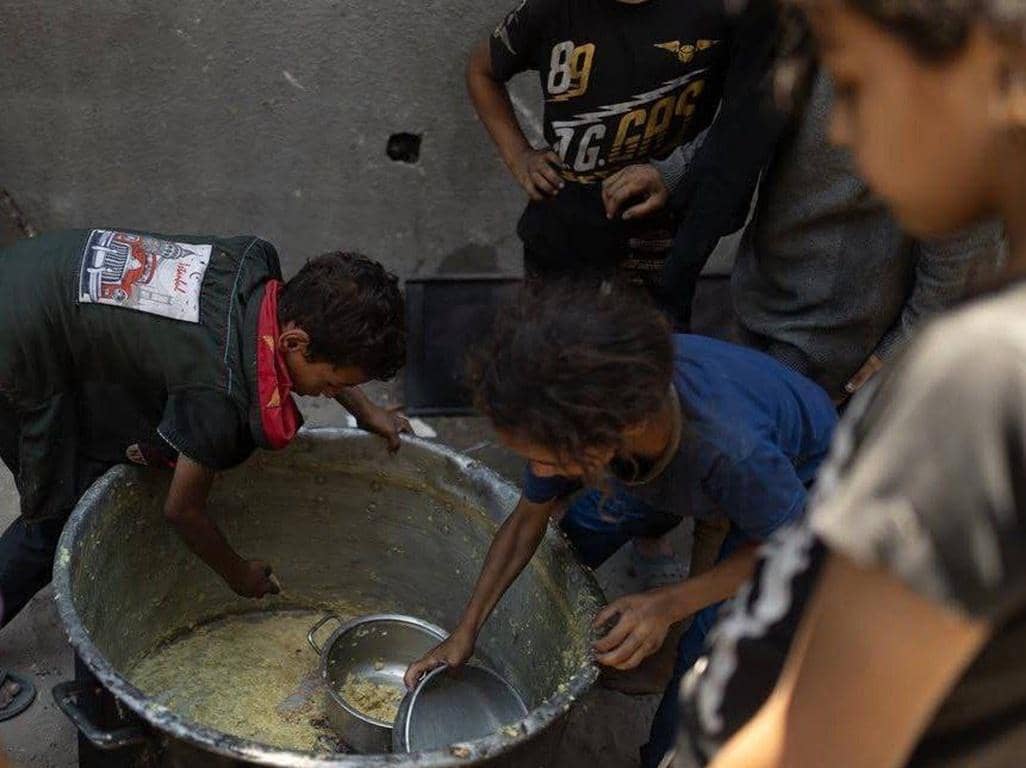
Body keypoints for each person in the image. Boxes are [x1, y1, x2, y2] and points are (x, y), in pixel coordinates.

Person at [668, 1, 1026, 766]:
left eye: (859, 86)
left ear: (992, 74)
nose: (838, 128)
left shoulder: (978, 375)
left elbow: (820, 736)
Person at [404, 282, 838, 767]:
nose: (539, 474)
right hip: (656, 471)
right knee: (569, 543)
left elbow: (802, 548)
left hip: (798, 494)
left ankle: (665, 748)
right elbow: (528, 521)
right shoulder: (587, 402)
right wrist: (467, 629)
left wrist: (669, 603)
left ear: (610, 434)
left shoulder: (731, 452)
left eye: (546, 460)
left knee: (708, 651)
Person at [0, 229, 408, 646]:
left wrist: (367, 411)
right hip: (16, 348)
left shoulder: (256, 263)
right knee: (60, 509)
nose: (328, 393)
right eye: (330, 384)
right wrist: (237, 572)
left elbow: (317, 357)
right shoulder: (220, 401)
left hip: (38, 269)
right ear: (293, 341)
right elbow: (182, 510)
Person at [469, 0, 780, 322]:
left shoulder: (720, 11)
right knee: (552, 353)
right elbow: (481, 71)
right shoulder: (549, 9)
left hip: (657, 236)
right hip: (562, 230)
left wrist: (675, 170)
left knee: (653, 353)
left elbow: (745, 119)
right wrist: (519, 156)